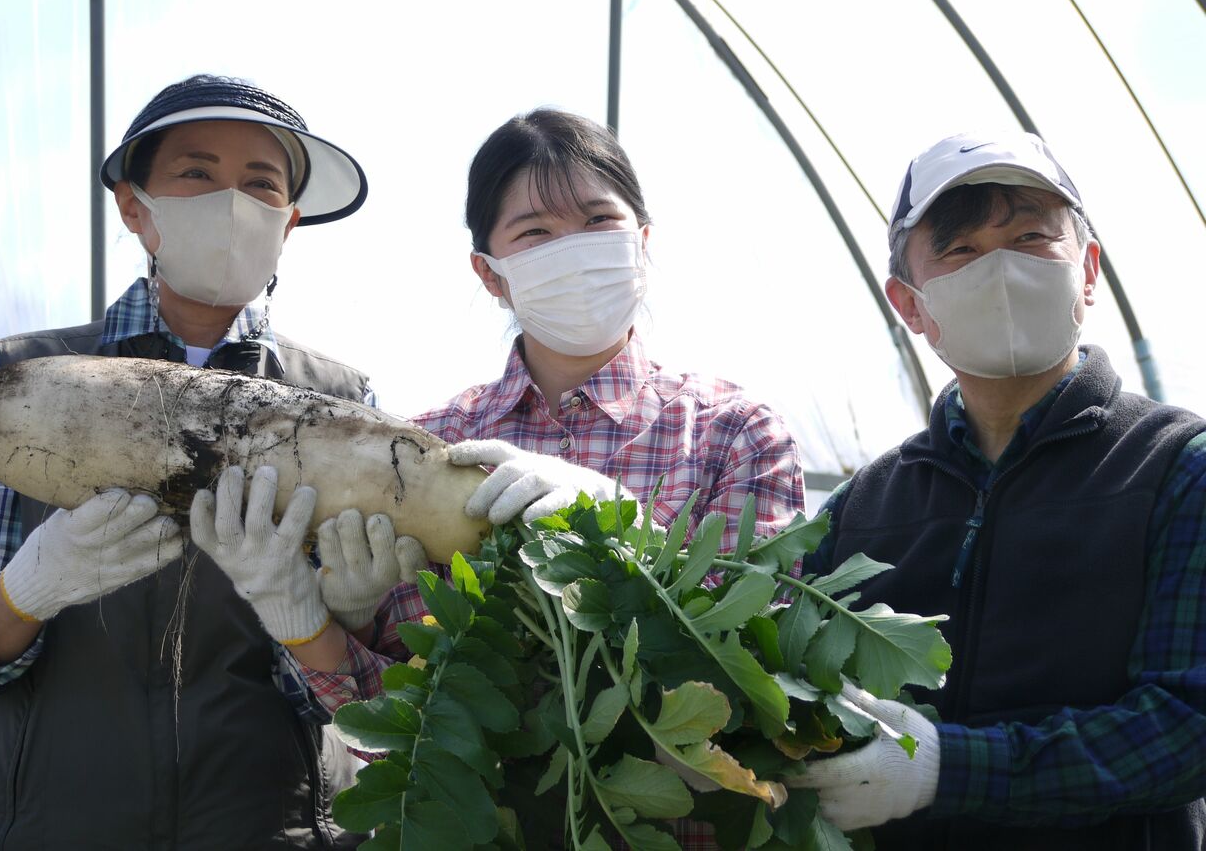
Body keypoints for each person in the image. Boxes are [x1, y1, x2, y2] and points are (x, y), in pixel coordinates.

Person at [300, 107, 806, 849]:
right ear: (490, 272)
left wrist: (620, 523)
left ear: (643, 242)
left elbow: (758, 673)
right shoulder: (424, 448)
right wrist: (334, 619)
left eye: (600, 220)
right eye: (535, 232)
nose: (573, 250)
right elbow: (398, 721)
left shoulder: (735, 431)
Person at [0, 74, 394, 849]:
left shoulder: (341, 402)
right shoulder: (23, 375)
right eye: (198, 174)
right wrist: (31, 586)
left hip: (273, 827)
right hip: (54, 827)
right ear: (135, 207)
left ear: (289, 221)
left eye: (260, 183)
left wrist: (321, 615)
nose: (232, 202)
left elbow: (365, 690)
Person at [788, 131, 1206, 850]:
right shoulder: (863, 509)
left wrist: (947, 768)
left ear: (1089, 270)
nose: (1002, 270)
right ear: (910, 304)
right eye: (961, 252)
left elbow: (1187, 723)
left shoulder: (1176, 467)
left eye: (1031, 236)